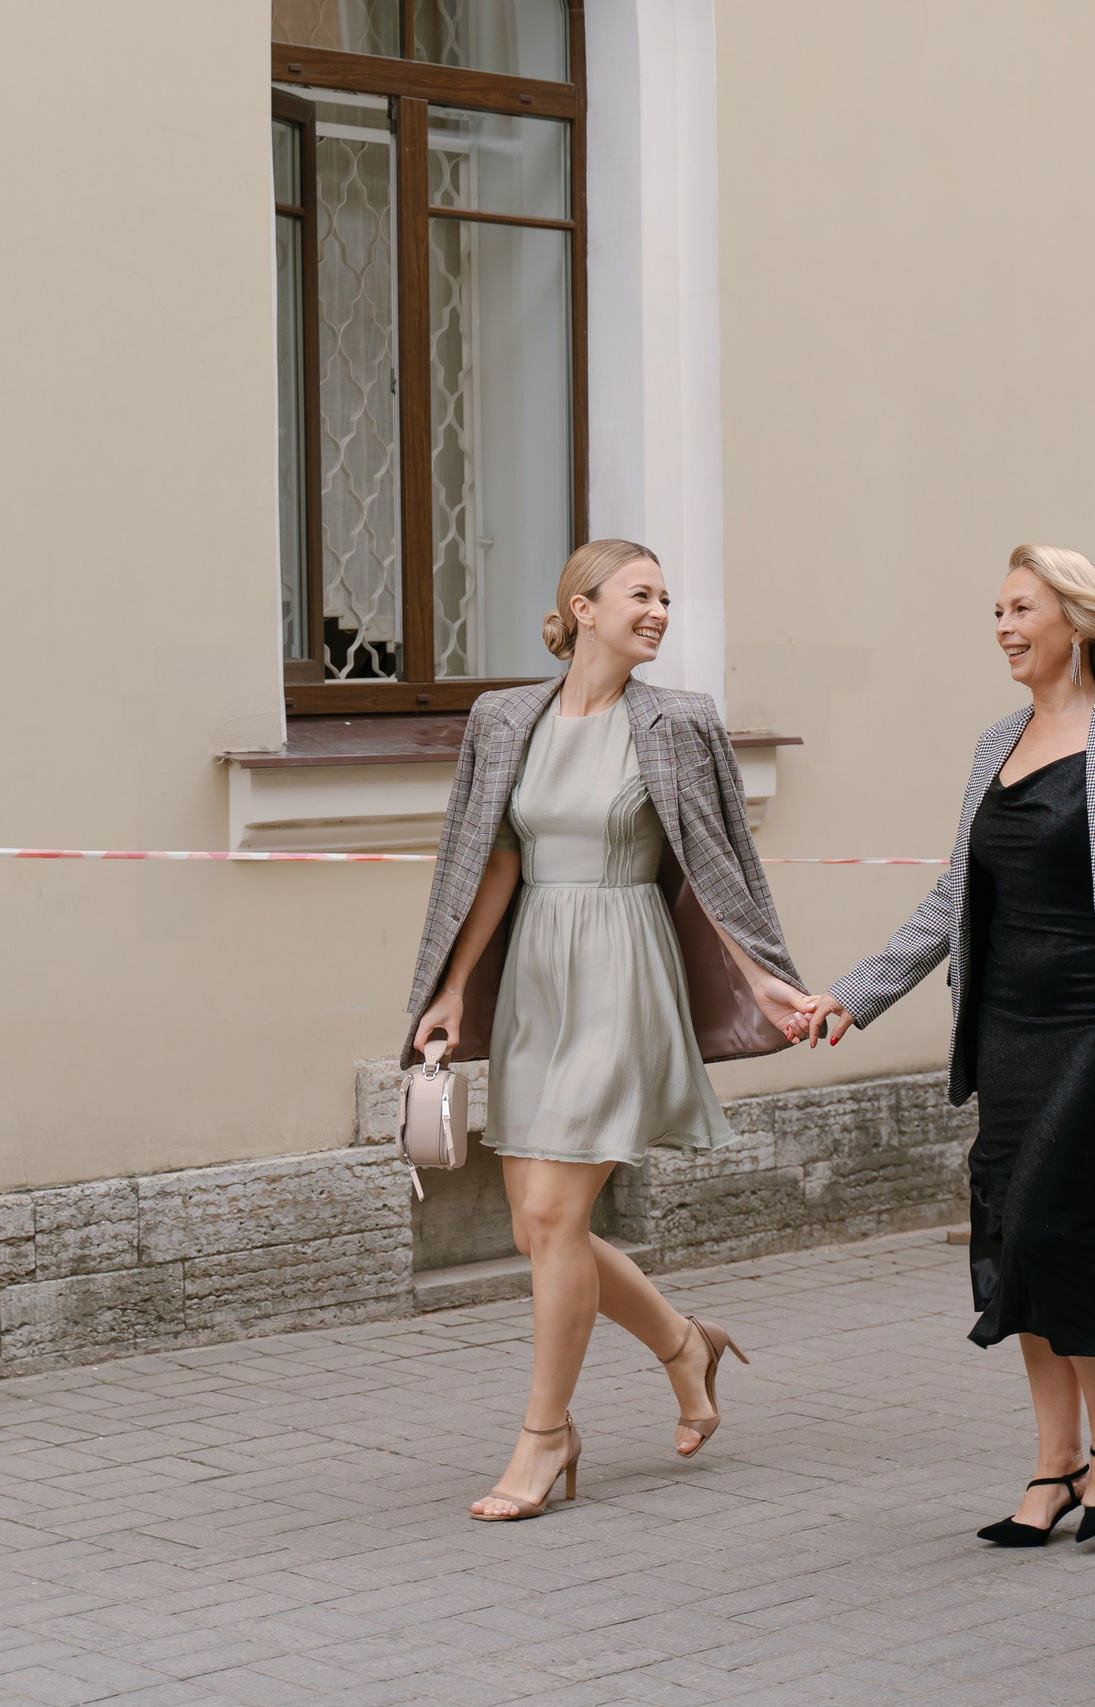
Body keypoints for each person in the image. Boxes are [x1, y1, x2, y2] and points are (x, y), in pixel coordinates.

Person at [404, 538, 813, 1521]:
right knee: (539, 1226)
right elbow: (495, 860)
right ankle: (685, 1342)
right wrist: (452, 989)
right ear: (581, 609)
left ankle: (545, 1435)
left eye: (666, 597)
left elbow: (714, 866)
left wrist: (765, 981)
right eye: (640, 594)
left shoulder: (680, 721)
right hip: (535, 978)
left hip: (623, 972)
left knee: (552, 1218)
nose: (660, 611)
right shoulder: (506, 718)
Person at [801, 545, 1095, 1547]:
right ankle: (1055, 1461)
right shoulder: (996, 742)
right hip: (1006, 1024)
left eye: (1021, 609)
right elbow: (953, 896)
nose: (1003, 628)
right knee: (1010, 1233)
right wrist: (855, 995)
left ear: (1076, 620)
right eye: (996, 612)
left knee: (1057, 1222)